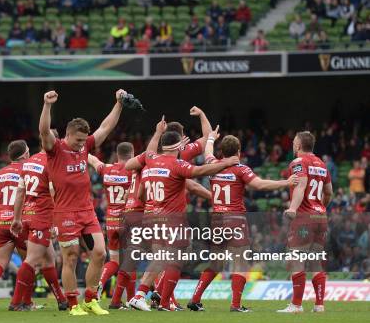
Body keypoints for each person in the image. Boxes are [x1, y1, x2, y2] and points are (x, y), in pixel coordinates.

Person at [126, 130, 240, 311]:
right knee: (175, 258)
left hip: (151, 217)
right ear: (178, 146)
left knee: (163, 257)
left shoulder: (149, 163)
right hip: (171, 219)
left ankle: (143, 296)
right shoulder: (176, 164)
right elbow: (199, 171)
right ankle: (159, 299)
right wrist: (225, 163)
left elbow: (140, 194)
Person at [39, 89, 127, 315]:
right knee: (71, 257)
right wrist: (47, 106)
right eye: (77, 140)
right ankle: (73, 304)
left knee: (100, 253)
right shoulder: (55, 148)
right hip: (65, 212)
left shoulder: (85, 146)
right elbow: (43, 130)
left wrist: (118, 103)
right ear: (68, 135)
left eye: (83, 141)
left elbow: (106, 128)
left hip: (86, 210)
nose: (81, 145)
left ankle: (90, 298)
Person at [188, 133, 296, 312]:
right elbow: (260, 185)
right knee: (240, 263)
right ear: (238, 151)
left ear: (221, 151)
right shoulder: (240, 169)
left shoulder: (212, 165)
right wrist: (286, 182)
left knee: (216, 263)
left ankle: (195, 299)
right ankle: (236, 305)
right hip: (235, 219)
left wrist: (210, 139)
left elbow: (208, 152)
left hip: (216, 220)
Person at [9, 129, 68, 311]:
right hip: (42, 216)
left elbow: (20, 192)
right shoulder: (53, 162)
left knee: (49, 260)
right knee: (32, 259)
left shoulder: (28, 162)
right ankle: (16, 302)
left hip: (27, 214)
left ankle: (61, 300)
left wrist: (17, 218)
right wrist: (54, 222)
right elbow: (53, 192)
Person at [278, 131, 332, 313]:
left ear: (299, 146)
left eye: (294, 142)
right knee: (316, 261)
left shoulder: (298, 163)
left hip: (303, 218)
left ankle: (296, 305)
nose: (293, 145)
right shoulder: (323, 165)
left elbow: (301, 186)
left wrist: (293, 208)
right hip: (320, 218)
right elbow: (329, 192)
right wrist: (320, 209)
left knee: (296, 259)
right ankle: (319, 305)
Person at [0, 140, 30, 309]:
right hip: (21, 222)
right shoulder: (29, 171)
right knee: (28, 263)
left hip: (1, 222)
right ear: (24, 155)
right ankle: (24, 301)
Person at [87, 142, 134, 309]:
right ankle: (125, 299)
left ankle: (101, 284)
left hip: (111, 221)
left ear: (117, 153)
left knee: (114, 260)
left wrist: (80, 150)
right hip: (127, 220)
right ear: (132, 154)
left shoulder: (107, 169)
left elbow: (92, 160)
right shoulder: (134, 171)